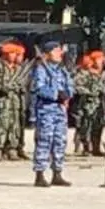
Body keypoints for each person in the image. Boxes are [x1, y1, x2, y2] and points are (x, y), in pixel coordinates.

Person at [30, 40, 73, 187]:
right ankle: (40, 174)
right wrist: (56, 94)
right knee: (44, 141)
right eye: (56, 51)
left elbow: (69, 85)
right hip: (46, 110)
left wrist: (67, 94)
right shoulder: (41, 69)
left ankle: (57, 173)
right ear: (47, 54)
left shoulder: (61, 70)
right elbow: (39, 88)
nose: (60, 53)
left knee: (59, 141)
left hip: (60, 110)